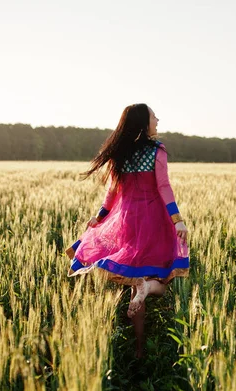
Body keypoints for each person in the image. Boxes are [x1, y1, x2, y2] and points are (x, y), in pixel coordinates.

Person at [65, 103, 189, 358]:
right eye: (154, 117)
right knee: (161, 280)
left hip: (127, 221)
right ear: (144, 123)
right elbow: (164, 187)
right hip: (154, 221)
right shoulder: (157, 151)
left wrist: (98, 217)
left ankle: (139, 347)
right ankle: (146, 295)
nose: (158, 120)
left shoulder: (119, 153)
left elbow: (112, 192)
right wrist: (177, 219)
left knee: (133, 275)